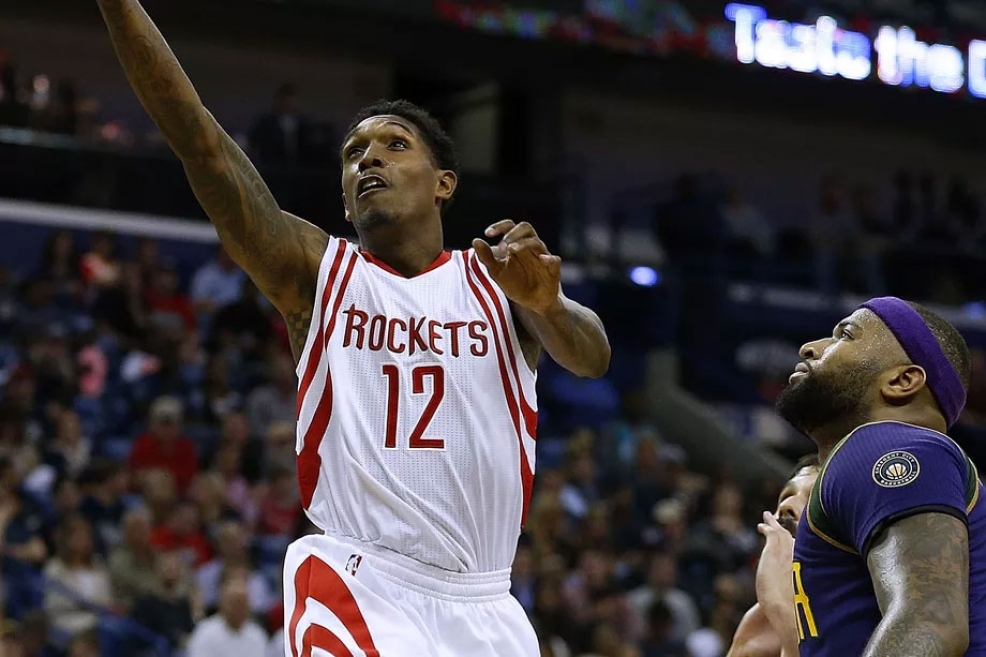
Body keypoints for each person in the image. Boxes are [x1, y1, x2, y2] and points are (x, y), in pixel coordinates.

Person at [95, 1, 611, 655]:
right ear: (344, 198)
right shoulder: (318, 272)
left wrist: (549, 306)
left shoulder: (500, 282)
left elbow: (592, 357)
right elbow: (203, 146)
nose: (370, 159)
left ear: (444, 183)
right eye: (353, 153)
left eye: (395, 145)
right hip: (360, 581)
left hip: (487, 603)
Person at [773, 296, 984, 656]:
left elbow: (931, 623)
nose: (810, 347)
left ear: (902, 380)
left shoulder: (886, 444)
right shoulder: (866, 461)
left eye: (845, 335)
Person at [726, 456, 819, 657]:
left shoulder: (872, 622)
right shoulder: (753, 631)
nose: (786, 505)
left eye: (813, 500)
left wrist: (785, 617)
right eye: (786, 495)